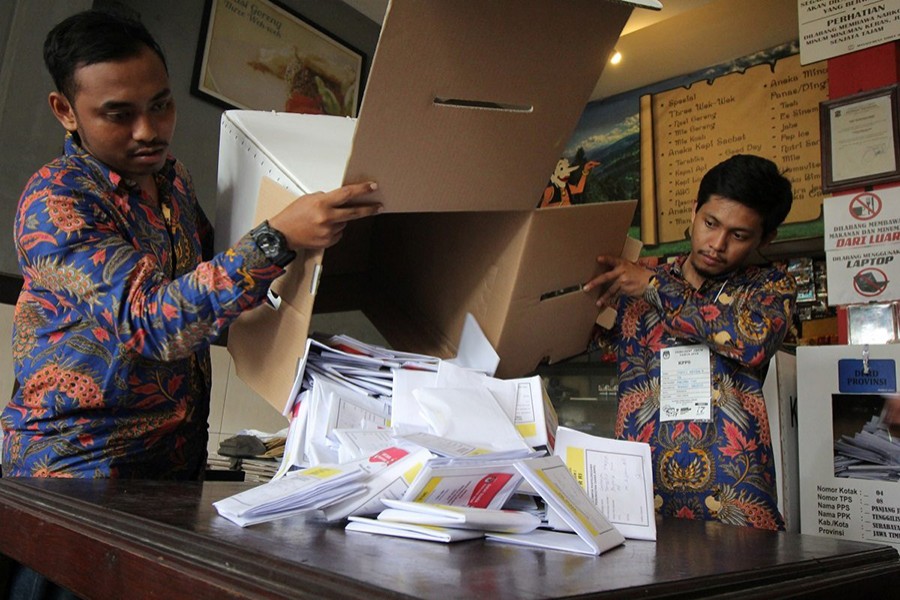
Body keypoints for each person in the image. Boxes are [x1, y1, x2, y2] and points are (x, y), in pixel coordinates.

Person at [0, 9, 381, 481]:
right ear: (65, 111)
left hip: (176, 460)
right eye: (119, 114)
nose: (148, 130)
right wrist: (277, 236)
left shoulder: (172, 179)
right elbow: (151, 323)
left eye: (161, 104)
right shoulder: (56, 200)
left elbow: (210, 272)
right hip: (76, 471)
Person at [583, 154, 796, 530]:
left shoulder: (769, 288)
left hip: (736, 504)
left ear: (767, 237)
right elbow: (580, 341)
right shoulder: (637, 282)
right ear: (695, 210)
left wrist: (653, 288)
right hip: (640, 501)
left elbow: (752, 341)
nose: (717, 243)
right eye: (710, 223)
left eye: (739, 235)